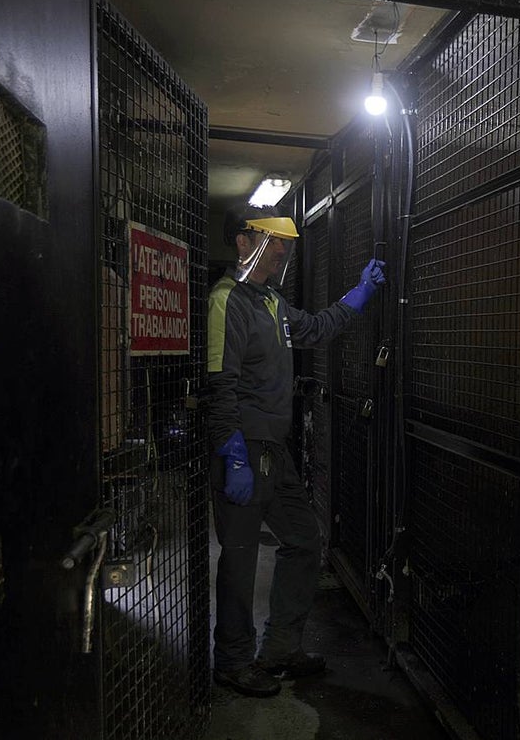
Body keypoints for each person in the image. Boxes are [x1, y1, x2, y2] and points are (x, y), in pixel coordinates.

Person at [207, 206, 386, 697]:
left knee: (304, 540)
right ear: (243, 243)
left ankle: (280, 649)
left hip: (273, 451)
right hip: (244, 447)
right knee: (240, 560)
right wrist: (233, 451)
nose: (282, 249)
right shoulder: (228, 301)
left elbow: (316, 329)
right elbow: (220, 384)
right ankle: (233, 661)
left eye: (285, 241)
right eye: (271, 238)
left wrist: (361, 293)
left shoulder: (272, 302)